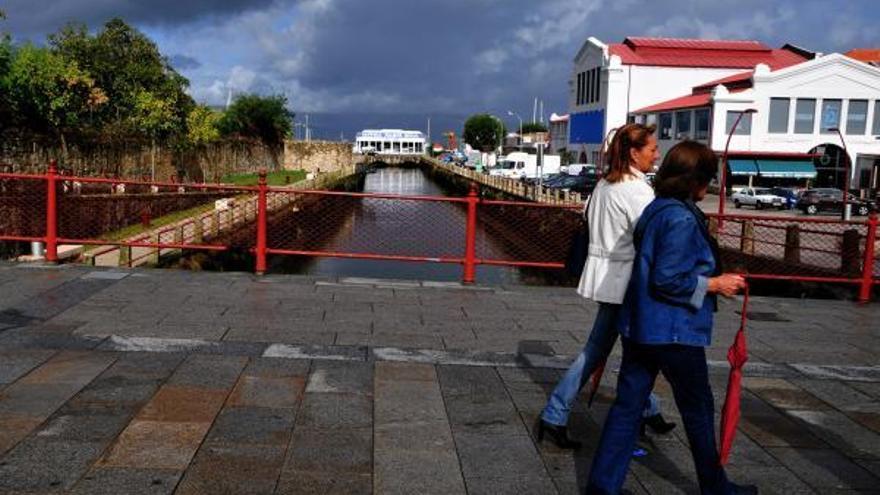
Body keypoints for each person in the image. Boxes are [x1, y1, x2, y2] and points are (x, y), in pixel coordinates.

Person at [585, 141, 756, 495]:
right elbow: (668, 278)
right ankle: (715, 486)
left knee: (627, 408)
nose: (710, 185)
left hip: (640, 326)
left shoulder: (658, 208)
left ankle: (602, 487)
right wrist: (714, 283)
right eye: (708, 177)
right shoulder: (679, 216)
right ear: (695, 180)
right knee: (697, 409)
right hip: (673, 331)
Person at [538, 123, 675, 450]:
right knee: (625, 354)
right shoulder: (637, 191)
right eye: (652, 149)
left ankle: (646, 410)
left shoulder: (604, 185)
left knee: (609, 350)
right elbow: (652, 238)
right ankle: (557, 413)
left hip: (606, 278)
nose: (656, 154)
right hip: (628, 283)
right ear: (634, 152)